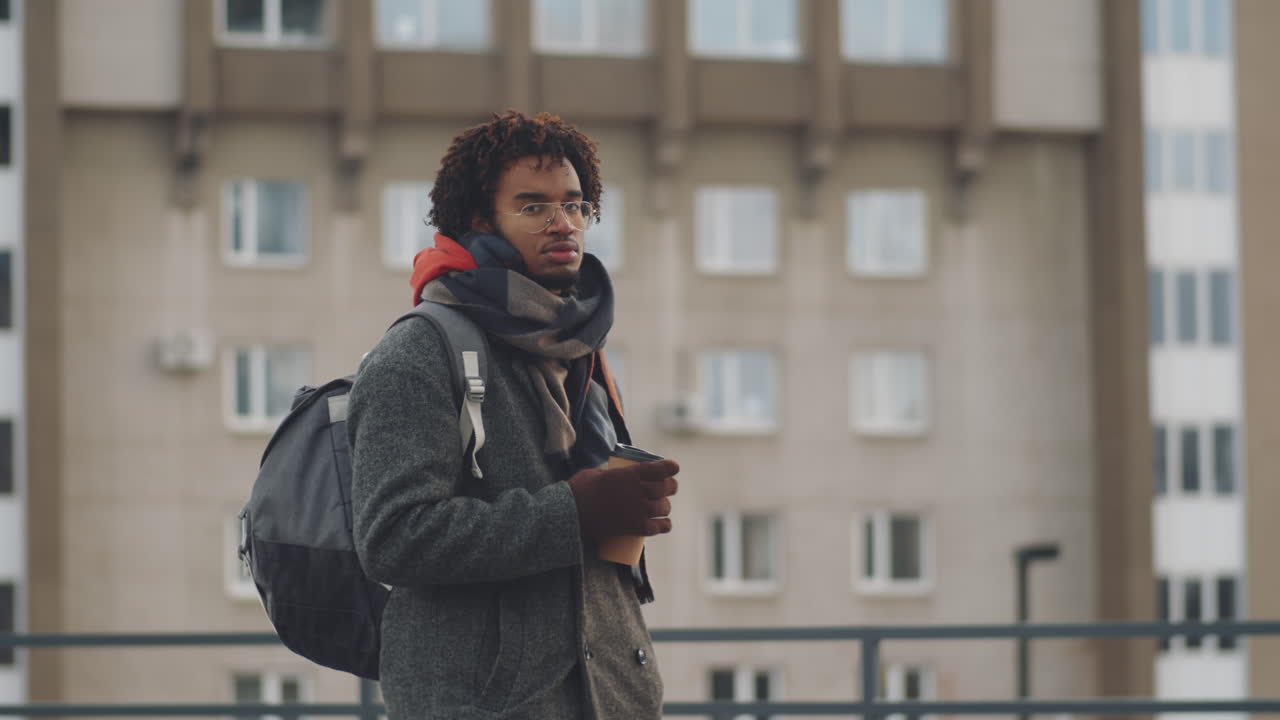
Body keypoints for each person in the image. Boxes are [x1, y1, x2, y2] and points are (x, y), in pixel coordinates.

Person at [348, 110, 681, 719]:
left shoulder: (578, 343)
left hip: (610, 695)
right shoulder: (418, 352)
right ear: (479, 221)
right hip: (486, 704)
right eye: (534, 207)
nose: (565, 224)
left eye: (576, 205)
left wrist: (624, 506)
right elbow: (392, 539)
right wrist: (575, 512)